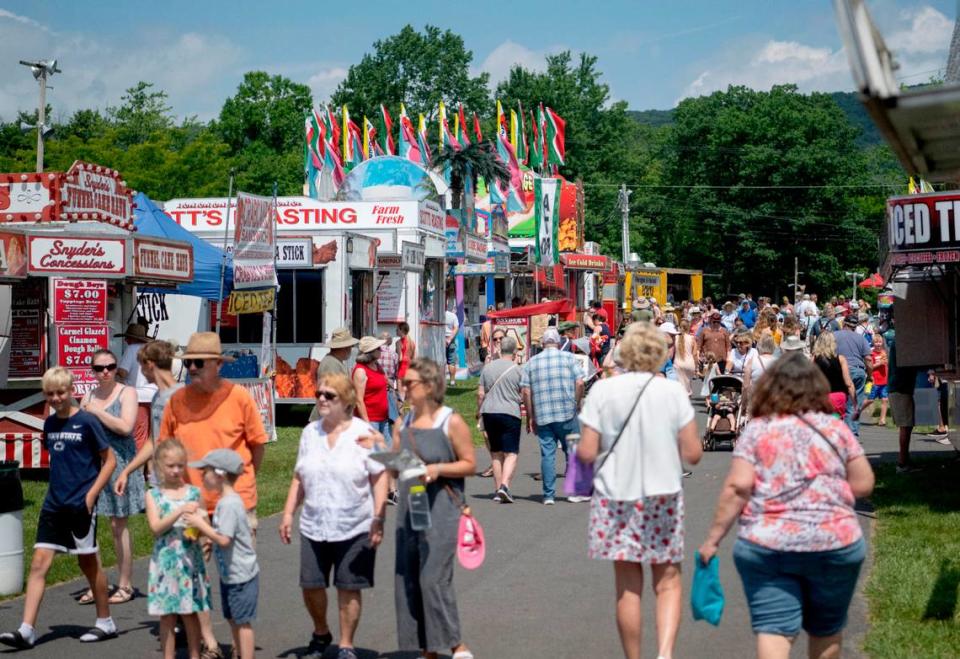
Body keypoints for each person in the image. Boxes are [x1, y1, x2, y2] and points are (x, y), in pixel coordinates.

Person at [698, 354, 875, 659]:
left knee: (775, 628)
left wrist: (713, 540)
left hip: (769, 543)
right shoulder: (835, 429)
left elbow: (738, 487)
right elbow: (863, 483)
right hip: (833, 541)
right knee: (826, 629)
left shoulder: (758, 430)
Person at [577, 322, 701, 659]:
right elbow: (693, 453)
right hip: (662, 492)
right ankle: (664, 654)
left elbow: (586, 453)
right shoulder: (671, 391)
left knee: (628, 588)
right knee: (668, 580)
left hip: (615, 494)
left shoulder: (604, 390)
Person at [158, 332, 268, 658]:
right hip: (194, 506)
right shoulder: (177, 401)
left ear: (217, 365)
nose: (191, 368)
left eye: (198, 363)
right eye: (188, 362)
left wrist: (240, 483)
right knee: (194, 574)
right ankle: (208, 641)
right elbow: (167, 448)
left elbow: (257, 445)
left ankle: (239, 642)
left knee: (236, 575)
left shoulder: (239, 397)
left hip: (237, 503)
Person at [0, 367, 118, 650]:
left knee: (88, 565)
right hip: (54, 504)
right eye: (50, 394)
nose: (55, 398)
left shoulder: (88, 422)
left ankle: (106, 622)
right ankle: (26, 629)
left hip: (81, 505)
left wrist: (90, 496)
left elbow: (109, 460)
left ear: (71, 390)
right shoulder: (49, 424)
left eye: (60, 392)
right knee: (39, 563)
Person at [279, 373, 387, 659]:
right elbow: (299, 476)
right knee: (311, 584)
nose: (322, 399)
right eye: (319, 394)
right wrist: (289, 512)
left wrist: (379, 517)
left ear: (347, 401)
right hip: (314, 523)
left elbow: (381, 477)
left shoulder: (364, 434)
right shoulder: (309, 433)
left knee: (348, 586)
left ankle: (346, 644)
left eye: (329, 395)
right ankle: (321, 631)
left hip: (355, 524)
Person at [392, 359, 476, 659]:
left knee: (433, 578)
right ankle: (427, 647)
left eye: (409, 383)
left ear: (428, 386)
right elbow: (398, 466)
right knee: (410, 577)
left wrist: (438, 468)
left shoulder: (450, 421)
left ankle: (455, 644)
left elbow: (470, 464)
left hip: (443, 508)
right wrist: (378, 451)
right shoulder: (403, 423)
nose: (404, 388)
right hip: (411, 505)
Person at [79, 349, 143, 606]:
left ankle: (125, 584)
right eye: (99, 368)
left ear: (117, 368)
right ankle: (96, 584)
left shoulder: (127, 392)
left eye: (110, 366)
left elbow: (125, 427)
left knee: (118, 526)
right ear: (92, 371)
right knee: (89, 527)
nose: (105, 372)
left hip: (121, 463)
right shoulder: (89, 395)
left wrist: (95, 411)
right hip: (94, 463)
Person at [185, 450, 259, 659]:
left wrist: (201, 525)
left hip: (241, 575)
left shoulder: (229, 504)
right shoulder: (224, 502)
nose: (201, 476)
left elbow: (225, 539)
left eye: (204, 471)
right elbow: (224, 537)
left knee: (242, 622)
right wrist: (211, 541)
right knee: (233, 618)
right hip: (231, 574)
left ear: (220, 474)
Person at [145, 438, 211, 659]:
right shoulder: (154, 495)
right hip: (165, 561)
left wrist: (202, 532)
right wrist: (179, 511)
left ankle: (195, 654)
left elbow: (204, 525)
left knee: (190, 612)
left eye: (180, 466)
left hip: (189, 559)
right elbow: (156, 528)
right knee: (167, 615)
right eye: (170, 466)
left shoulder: (194, 492)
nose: (175, 471)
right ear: (159, 466)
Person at [521, 328, 584, 505]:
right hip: (567, 413)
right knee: (571, 452)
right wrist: (577, 403)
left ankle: (549, 495)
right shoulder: (570, 358)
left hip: (543, 415)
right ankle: (572, 492)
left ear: (542, 344)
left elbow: (526, 391)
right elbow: (579, 383)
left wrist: (530, 416)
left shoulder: (532, 362)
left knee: (547, 454)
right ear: (558, 342)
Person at [115, 340, 184, 495]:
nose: (141, 371)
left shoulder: (181, 397)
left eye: (141, 365)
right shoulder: (157, 397)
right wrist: (128, 471)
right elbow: (154, 440)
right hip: (162, 479)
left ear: (150, 365)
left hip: (180, 481)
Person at [477, 336, 523, 503]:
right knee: (511, 453)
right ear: (515, 351)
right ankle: (504, 486)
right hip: (510, 412)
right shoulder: (517, 370)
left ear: (499, 349)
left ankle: (497, 490)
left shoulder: (487, 369)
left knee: (495, 452)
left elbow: (481, 394)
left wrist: (479, 411)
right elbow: (523, 392)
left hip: (489, 412)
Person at [115, 322, 156, 453]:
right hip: (154, 396)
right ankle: (147, 470)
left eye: (127, 337)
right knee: (150, 437)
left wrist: (114, 371)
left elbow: (123, 372)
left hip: (138, 397)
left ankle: (136, 470)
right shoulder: (151, 350)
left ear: (132, 338)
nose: (126, 340)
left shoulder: (132, 349)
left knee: (137, 436)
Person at [834, 315, 873, 436]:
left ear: (844, 323)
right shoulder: (861, 339)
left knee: (839, 402)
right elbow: (868, 359)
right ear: (855, 326)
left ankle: (838, 431)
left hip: (839, 371)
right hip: (858, 371)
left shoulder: (834, 335)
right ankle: (852, 433)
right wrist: (870, 375)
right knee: (854, 404)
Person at [352, 336, 391, 437]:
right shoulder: (360, 371)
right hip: (371, 420)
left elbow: (386, 382)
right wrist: (367, 424)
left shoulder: (377, 365)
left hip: (383, 418)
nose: (381, 350)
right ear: (370, 352)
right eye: (378, 348)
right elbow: (358, 400)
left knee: (386, 450)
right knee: (374, 450)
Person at [813, 332, 857, 418]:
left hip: (821, 397)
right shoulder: (841, 359)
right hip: (838, 397)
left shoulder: (814, 359)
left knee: (822, 424)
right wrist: (855, 404)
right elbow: (849, 383)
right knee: (836, 423)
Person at [858, 334, 889, 426]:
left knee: (885, 399)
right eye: (876, 342)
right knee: (870, 400)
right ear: (873, 343)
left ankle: (882, 420)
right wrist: (880, 364)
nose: (878, 344)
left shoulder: (884, 353)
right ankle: (857, 411)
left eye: (880, 342)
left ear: (882, 342)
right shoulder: (871, 354)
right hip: (875, 380)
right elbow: (870, 367)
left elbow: (886, 365)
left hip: (884, 380)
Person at [743, 335, 778, 403]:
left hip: (756, 400)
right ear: (773, 346)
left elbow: (745, 386)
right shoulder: (779, 362)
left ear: (759, 346)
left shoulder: (752, 361)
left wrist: (744, 404)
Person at [673, 319, 698, 396]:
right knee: (687, 385)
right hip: (689, 364)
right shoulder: (692, 338)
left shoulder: (675, 337)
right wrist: (696, 367)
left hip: (677, 364)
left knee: (680, 386)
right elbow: (694, 354)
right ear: (688, 328)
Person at [396, 322, 416, 392]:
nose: (396, 330)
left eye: (397, 329)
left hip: (402, 368)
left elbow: (400, 358)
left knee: (400, 394)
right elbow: (414, 357)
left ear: (402, 330)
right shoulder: (412, 342)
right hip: (409, 368)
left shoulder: (399, 342)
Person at [444, 304, 460, 385]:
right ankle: (452, 381)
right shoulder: (453, 316)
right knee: (451, 362)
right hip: (451, 339)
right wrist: (450, 339)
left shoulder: (436, 315)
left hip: (440, 338)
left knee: (441, 361)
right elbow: (456, 327)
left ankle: (440, 380)